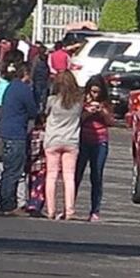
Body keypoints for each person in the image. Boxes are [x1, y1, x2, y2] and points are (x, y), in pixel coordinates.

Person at [0, 62, 37, 216]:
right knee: (14, 171)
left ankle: (4, 202)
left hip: (6, 131)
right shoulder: (23, 89)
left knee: (7, 170)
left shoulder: (10, 86)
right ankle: (9, 205)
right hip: (16, 133)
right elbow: (33, 110)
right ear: (26, 74)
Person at [0, 59, 26, 213]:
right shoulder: (14, 89)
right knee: (13, 170)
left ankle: (2, 202)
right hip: (6, 132)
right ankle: (10, 202)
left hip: (0, 132)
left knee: (3, 171)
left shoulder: (4, 88)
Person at [76, 75, 115, 222]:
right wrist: (87, 113)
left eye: (97, 92)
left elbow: (111, 121)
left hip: (100, 141)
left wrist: (102, 112)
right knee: (76, 173)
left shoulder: (106, 103)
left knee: (96, 175)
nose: (95, 95)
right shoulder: (82, 101)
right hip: (83, 140)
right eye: (92, 91)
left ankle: (95, 210)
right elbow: (76, 119)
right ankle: (69, 205)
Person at [43, 71, 82, 220]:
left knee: (51, 176)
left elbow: (45, 114)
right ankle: (70, 210)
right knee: (69, 177)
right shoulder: (78, 102)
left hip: (53, 140)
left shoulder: (52, 100)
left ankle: (51, 210)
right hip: (71, 140)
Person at [31, 43, 50, 108]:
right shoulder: (41, 58)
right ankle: (40, 107)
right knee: (40, 95)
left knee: (40, 95)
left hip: (41, 79)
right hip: (41, 79)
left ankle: (40, 108)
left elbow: (33, 68)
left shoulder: (40, 58)